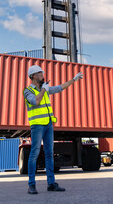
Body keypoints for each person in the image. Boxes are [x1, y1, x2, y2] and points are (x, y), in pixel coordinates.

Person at [23, 65, 83, 195]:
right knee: (34, 154)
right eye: (40, 74)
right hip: (37, 126)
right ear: (34, 76)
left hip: (49, 124)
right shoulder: (28, 91)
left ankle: (51, 184)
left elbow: (60, 88)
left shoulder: (45, 88)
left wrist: (74, 79)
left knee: (50, 153)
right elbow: (35, 102)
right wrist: (44, 90)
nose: (42, 75)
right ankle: (31, 185)